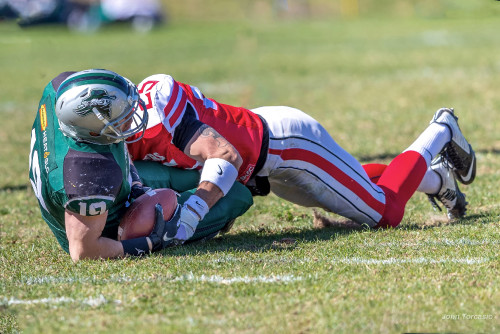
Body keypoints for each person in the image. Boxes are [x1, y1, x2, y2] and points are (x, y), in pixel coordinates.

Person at [126, 73, 476, 231]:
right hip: (267, 164)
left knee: (384, 211)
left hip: (286, 145)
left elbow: (224, 156)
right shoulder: (123, 130)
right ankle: (435, 179)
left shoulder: (157, 109)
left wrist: (193, 213)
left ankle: (441, 130)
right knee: (352, 184)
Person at [28, 70, 253, 262]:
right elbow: (83, 251)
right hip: (110, 229)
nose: (133, 113)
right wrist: (148, 243)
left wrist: (135, 184)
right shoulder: (89, 176)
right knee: (237, 193)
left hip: (110, 184)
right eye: (121, 116)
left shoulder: (61, 88)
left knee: (201, 178)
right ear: (94, 130)